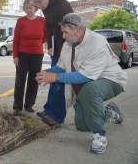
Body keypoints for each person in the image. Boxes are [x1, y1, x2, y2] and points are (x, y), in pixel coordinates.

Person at [36, 13, 127, 154]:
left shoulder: (97, 43)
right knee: (82, 125)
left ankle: (99, 136)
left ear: (77, 29)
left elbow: (84, 76)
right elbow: (61, 67)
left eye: (65, 32)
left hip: (111, 79)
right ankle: (109, 112)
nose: (63, 36)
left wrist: (54, 78)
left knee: (90, 90)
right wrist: (45, 74)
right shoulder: (68, 44)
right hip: (89, 83)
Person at [30, 0, 73, 124]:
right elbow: (49, 28)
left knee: (58, 80)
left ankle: (56, 116)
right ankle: (49, 110)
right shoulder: (46, 8)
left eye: (39, 2)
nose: (38, 5)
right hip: (56, 47)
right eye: (35, 2)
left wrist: (62, 51)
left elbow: (69, 30)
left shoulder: (63, 6)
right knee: (51, 79)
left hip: (66, 47)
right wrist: (49, 46)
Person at [12, 0, 47, 115]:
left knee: (33, 80)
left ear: (36, 8)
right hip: (22, 54)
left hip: (37, 55)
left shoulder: (42, 21)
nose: (29, 10)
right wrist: (15, 56)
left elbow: (45, 37)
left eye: (31, 8)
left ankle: (29, 104)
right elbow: (16, 39)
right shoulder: (21, 21)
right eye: (26, 8)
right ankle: (17, 106)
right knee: (20, 80)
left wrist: (37, 44)